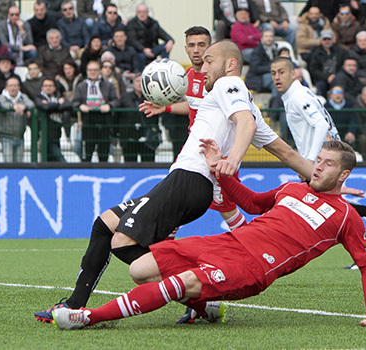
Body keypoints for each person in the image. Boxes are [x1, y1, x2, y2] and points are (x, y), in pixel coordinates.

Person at [34, 40, 317, 323]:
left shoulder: (229, 86)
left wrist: (233, 160)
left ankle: (202, 289)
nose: (202, 68)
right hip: (187, 182)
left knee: (123, 242)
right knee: (105, 224)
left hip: (190, 179)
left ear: (230, 65)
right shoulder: (234, 100)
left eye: (208, 61)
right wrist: (323, 180)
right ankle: (74, 303)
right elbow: (286, 152)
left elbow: (247, 123)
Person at [50, 140, 366, 330]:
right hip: (229, 243)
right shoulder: (292, 187)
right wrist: (220, 167)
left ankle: (89, 317)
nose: (318, 166)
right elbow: (250, 201)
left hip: (253, 267)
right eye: (318, 159)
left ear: (344, 174)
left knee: (182, 281)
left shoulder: (345, 217)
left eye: (328, 164)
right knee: (139, 269)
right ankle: (205, 309)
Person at [139, 27, 251, 236]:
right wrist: (167, 107)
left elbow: (240, 117)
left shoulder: (221, 81)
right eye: (192, 45)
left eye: (202, 45)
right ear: (186, 49)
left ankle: (252, 246)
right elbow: (193, 106)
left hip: (219, 151)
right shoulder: (187, 77)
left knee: (225, 207)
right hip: (195, 149)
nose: (196, 50)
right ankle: (165, 250)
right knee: (178, 203)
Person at [271, 57, 366, 235]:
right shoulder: (296, 95)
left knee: (320, 208)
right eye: (273, 73)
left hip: (322, 159)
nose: (277, 77)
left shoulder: (298, 96)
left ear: (293, 74)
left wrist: (310, 161)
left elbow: (321, 125)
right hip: (324, 157)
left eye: (281, 72)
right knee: (328, 207)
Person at [72, 60, 120, 162]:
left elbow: (116, 101)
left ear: (99, 71)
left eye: (95, 70)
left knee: (104, 153)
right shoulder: (81, 86)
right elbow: (74, 102)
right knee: (88, 152)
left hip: (104, 121)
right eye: (90, 70)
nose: (92, 72)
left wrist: (109, 105)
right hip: (88, 122)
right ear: (87, 71)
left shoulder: (108, 85)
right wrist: (80, 106)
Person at [116, 74, 159, 162]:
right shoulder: (125, 97)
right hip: (129, 138)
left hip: (147, 137)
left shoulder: (152, 97)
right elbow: (118, 115)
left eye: (142, 81)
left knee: (148, 164)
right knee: (130, 165)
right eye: (137, 81)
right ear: (133, 83)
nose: (139, 84)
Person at [0, 76, 34, 163]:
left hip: (20, 136)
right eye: (10, 86)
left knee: (19, 164)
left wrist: (24, 107)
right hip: (6, 136)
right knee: (8, 164)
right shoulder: (1, 97)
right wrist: (13, 107)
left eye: (15, 85)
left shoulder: (23, 97)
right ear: (6, 87)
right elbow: (1, 104)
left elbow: (31, 104)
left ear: (19, 87)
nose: (13, 88)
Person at [126, 4, 174, 71]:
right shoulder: (131, 24)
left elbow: (164, 34)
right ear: (136, 13)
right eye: (140, 12)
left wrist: (170, 41)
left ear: (147, 12)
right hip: (139, 51)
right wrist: (144, 49)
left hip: (152, 49)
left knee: (166, 46)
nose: (142, 14)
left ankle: (164, 68)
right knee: (141, 56)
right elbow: (132, 40)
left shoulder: (154, 23)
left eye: (144, 12)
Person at [34, 77, 71, 162]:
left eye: (50, 85)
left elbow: (69, 105)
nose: (48, 88)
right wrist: (58, 104)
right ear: (42, 88)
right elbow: (44, 107)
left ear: (54, 88)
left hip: (57, 135)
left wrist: (51, 105)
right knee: (59, 160)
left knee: (53, 161)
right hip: (45, 136)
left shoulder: (59, 96)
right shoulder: (39, 97)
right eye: (46, 86)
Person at [308, 29, 348, 99]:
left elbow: (344, 66)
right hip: (322, 79)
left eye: (329, 39)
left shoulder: (341, 51)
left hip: (338, 78)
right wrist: (327, 77)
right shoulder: (315, 53)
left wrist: (336, 76)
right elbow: (313, 69)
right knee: (321, 85)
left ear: (332, 40)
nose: (327, 41)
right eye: (324, 39)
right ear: (321, 40)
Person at [245, 29, 278, 95]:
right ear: (261, 38)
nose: (269, 38)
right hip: (256, 79)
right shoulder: (257, 51)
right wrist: (271, 69)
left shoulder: (275, 49)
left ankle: (276, 103)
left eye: (271, 36)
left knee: (277, 84)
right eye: (266, 36)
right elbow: (255, 68)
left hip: (268, 76)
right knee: (277, 78)